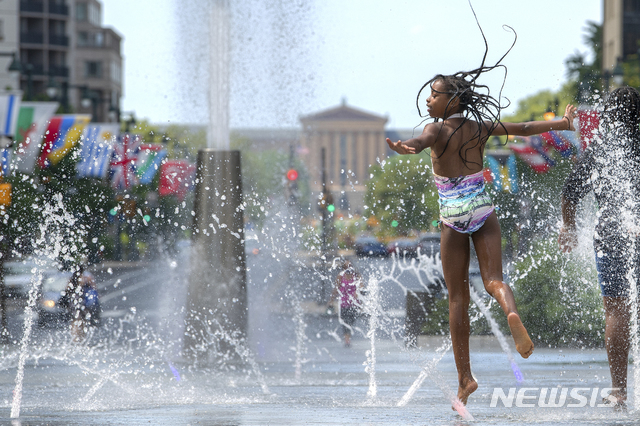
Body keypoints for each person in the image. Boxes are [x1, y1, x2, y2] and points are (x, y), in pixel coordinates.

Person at [386, 70, 577, 405]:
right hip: (482, 208)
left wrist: (408, 147)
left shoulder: (436, 129)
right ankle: (510, 312)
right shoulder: (479, 127)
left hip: (453, 215)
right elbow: (525, 129)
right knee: (494, 280)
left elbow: (420, 143)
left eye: (434, 95)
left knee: (458, 298)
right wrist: (562, 124)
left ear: (453, 100)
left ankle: (465, 379)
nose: (429, 100)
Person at [558, 86, 640, 409]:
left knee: (616, 311)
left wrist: (570, 228)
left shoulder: (599, 149)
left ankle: (619, 391)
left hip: (611, 235)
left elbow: (569, 194)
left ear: (607, 116)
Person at [328, 260, 364, 347]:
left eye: (350, 265)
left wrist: (358, 293)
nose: (349, 268)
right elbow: (336, 288)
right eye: (346, 266)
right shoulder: (340, 276)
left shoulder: (357, 276)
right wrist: (331, 300)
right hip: (343, 302)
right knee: (344, 320)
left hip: (354, 303)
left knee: (351, 320)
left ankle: (348, 336)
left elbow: (361, 287)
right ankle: (347, 339)